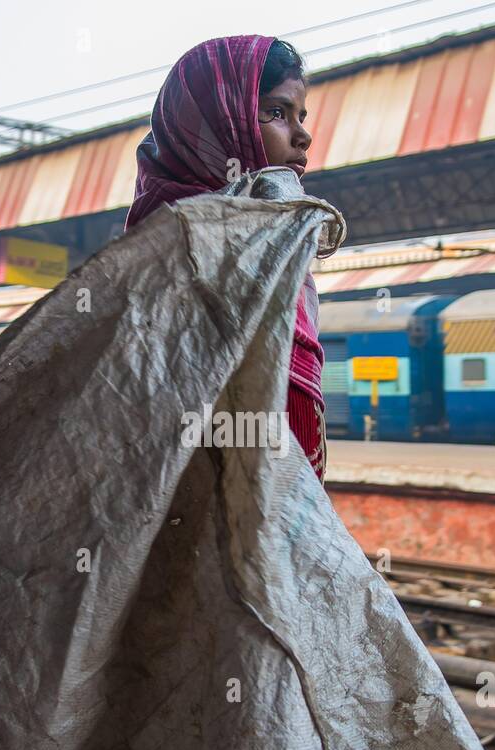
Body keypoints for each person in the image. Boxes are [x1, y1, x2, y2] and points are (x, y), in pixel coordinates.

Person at [125, 36, 327, 479]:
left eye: (301, 116)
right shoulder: (176, 256)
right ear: (222, 125)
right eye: (276, 112)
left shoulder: (275, 245)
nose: (303, 135)